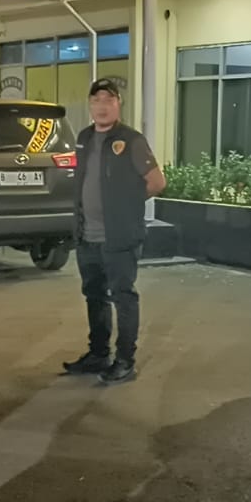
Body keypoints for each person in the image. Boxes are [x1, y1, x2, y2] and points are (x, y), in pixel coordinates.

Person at [61, 78, 165, 385]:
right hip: (88, 236)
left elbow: (157, 182)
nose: (102, 106)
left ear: (119, 104)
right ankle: (98, 354)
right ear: (90, 105)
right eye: (96, 100)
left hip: (119, 237)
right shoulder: (84, 138)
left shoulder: (131, 140)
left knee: (123, 297)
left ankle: (125, 361)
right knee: (94, 296)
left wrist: (126, 206)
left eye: (109, 99)